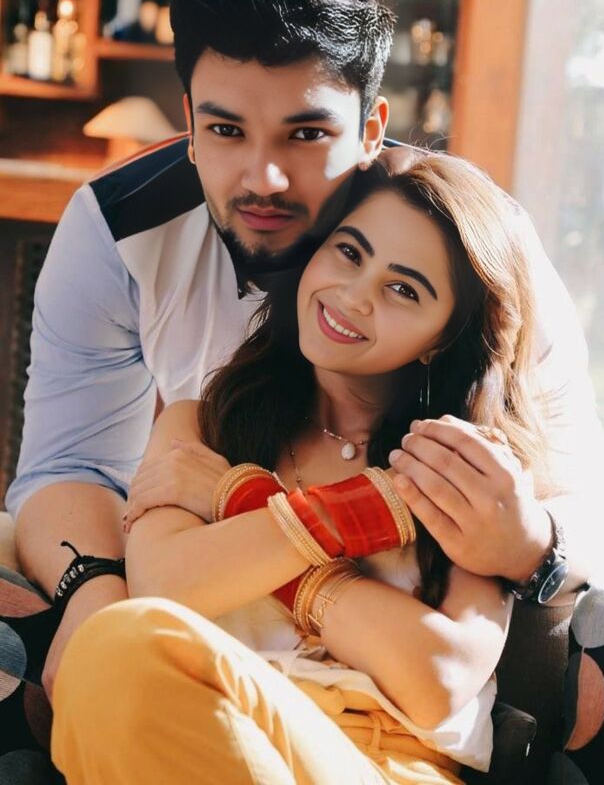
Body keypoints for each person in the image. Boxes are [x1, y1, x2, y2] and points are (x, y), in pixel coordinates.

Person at [0, 0, 604, 770]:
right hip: (209, 692)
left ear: (371, 128)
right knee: (119, 652)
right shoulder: (119, 238)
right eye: (226, 131)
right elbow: (66, 469)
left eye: (305, 135)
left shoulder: (471, 251)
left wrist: (241, 501)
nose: (263, 177)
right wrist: (93, 599)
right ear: (189, 123)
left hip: (384, 741)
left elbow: (571, 512)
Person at [52, 151, 551, 783]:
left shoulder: (462, 470)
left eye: (403, 289)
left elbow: (438, 679)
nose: (354, 295)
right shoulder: (202, 426)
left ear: (443, 338)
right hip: (208, 730)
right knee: (113, 648)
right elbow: (164, 588)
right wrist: (365, 512)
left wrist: (237, 498)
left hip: (384, 763)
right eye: (349, 252)